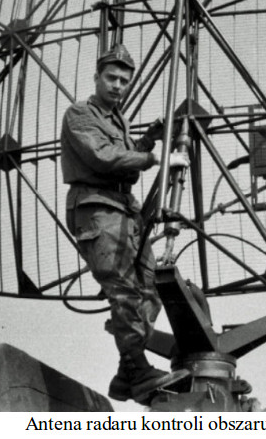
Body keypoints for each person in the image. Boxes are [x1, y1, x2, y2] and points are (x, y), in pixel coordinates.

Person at [60, 43, 189, 403]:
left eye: (124, 81)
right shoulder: (80, 114)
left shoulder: (118, 120)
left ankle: (126, 373)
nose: (118, 85)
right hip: (96, 209)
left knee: (151, 285)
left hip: (124, 210)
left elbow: (125, 160)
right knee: (124, 290)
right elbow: (103, 158)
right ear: (97, 78)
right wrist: (154, 156)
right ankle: (137, 370)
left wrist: (151, 136)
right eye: (111, 78)